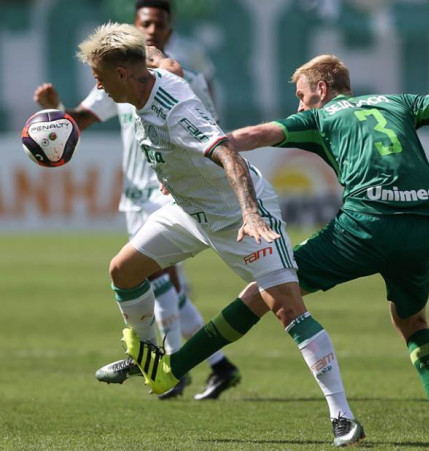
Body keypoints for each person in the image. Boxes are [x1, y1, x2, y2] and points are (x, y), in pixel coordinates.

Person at [130, 53, 429, 444]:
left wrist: (203, 152)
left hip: (365, 226)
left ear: (323, 89)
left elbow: (254, 135)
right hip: (420, 227)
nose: (299, 102)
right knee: (412, 319)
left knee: (268, 289)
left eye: (303, 93)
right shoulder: (400, 102)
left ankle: (173, 368)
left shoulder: (319, 116)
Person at [75, 22, 364, 447]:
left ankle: (343, 417)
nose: (96, 84)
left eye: (99, 76)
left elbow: (229, 153)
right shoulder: (144, 77)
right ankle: (147, 356)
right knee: (124, 270)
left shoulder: (175, 108)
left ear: (121, 74)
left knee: (288, 309)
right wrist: (147, 49)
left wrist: (250, 213)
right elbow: (157, 58)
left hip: (239, 215)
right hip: (191, 211)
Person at [33, 0, 237, 401]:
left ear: (169, 28)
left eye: (158, 24)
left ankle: (172, 369)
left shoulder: (180, 78)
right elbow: (83, 120)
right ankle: (220, 365)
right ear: (135, 25)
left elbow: (209, 127)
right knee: (169, 289)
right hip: (135, 196)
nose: (151, 31)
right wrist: (55, 113)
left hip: (170, 192)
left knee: (160, 281)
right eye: (145, 23)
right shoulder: (119, 76)